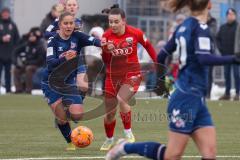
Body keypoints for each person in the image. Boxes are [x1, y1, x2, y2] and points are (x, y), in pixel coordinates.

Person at [106, 0, 240, 159]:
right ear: (209, 5)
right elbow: (203, 59)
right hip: (186, 96)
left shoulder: (183, 26)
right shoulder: (200, 28)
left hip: (196, 98)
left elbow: (161, 56)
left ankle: (125, 145)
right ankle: (126, 147)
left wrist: (161, 81)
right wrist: (234, 58)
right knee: (173, 155)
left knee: (209, 154)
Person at [100, 5, 157, 151]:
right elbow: (106, 61)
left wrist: (157, 63)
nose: (113, 25)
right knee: (110, 113)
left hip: (132, 74)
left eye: (116, 21)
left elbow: (149, 46)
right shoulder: (106, 36)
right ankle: (109, 139)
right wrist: (107, 50)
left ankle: (128, 134)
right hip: (112, 77)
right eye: (110, 22)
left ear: (123, 21)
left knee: (122, 98)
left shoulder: (135, 33)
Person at [41, 12, 100, 151]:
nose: (69, 26)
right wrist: (64, 59)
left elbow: (94, 41)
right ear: (60, 25)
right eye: (65, 23)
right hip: (51, 82)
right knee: (62, 119)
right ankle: (70, 142)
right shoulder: (53, 41)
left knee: (78, 116)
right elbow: (50, 64)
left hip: (67, 82)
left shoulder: (78, 37)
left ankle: (65, 110)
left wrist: (106, 44)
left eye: (71, 23)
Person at [13, 27, 45, 94]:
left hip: (36, 65)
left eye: (33, 36)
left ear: (36, 37)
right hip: (27, 64)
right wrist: (16, 63)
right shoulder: (27, 45)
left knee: (28, 69)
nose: (31, 38)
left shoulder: (39, 46)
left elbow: (40, 60)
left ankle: (28, 90)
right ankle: (18, 89)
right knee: (16, 70)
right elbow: (15, 51)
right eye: (30, 36)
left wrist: (29, 62)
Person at [217, 8, 239, 101]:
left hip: (236, 56)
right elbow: (217, 39)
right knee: (226, 75)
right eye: (229, 14)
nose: (230, 16)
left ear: (235, 16)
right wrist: (221, 50)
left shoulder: (238, 27)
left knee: (237, 75)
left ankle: (238, 93)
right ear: (226, 16)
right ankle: (227, 93)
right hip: (225, 56)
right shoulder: (222, 27)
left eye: (232, 14)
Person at [0, 7, 20, 93]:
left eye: (7, 13)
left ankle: (8, 90)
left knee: (8, 73)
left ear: (9, 14)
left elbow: (17, 38)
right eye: (4, 13)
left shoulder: (13, 25)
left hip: (9, 53)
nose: (5, 14)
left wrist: (14, 49)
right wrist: (2, 39)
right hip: (0, 53)